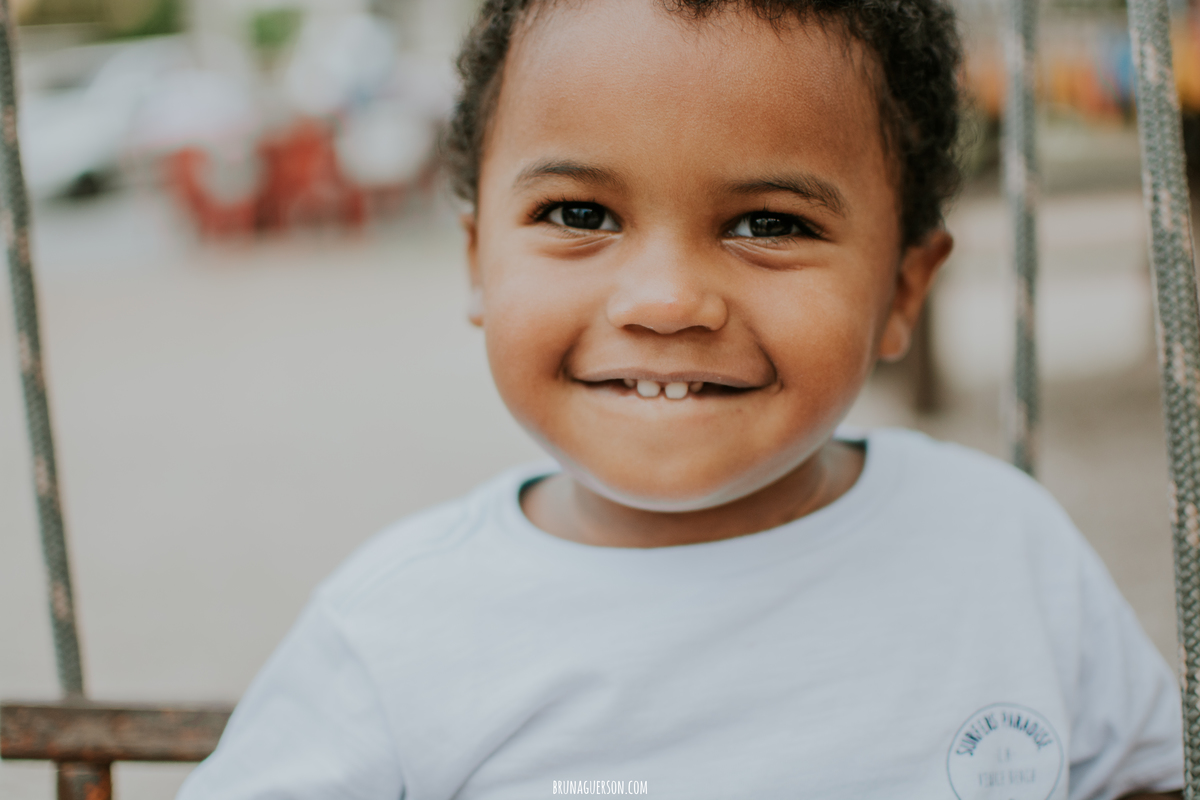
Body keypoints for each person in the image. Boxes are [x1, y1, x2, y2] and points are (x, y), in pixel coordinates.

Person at [176, 1, 1185, 798]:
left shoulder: (1006, 546)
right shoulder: (396, 626)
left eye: (769, 223)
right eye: (579, 214)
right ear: (479, 259)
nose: (665, 300)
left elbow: (1144, 774)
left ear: (902, 289)